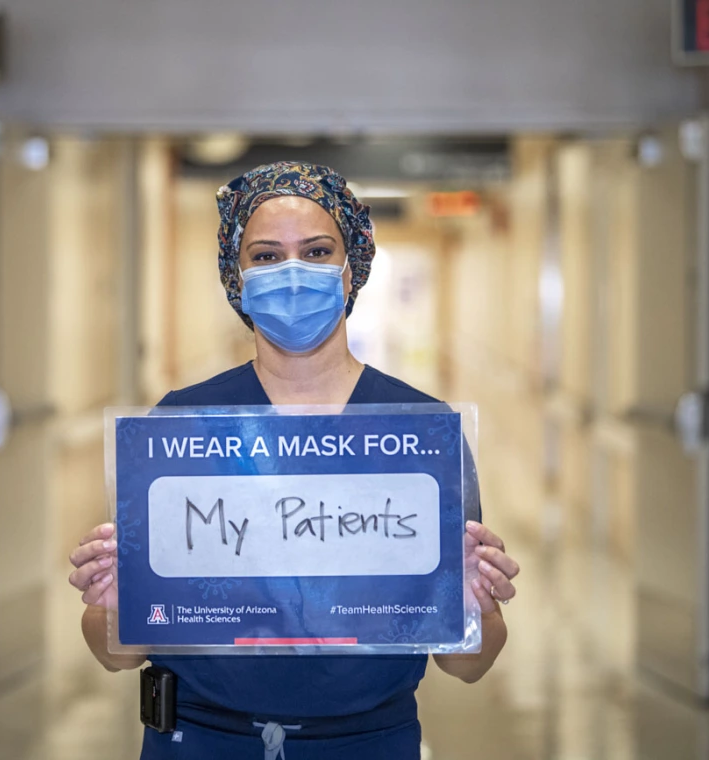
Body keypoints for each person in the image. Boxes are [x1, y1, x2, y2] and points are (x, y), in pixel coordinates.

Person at [69, 162, 521, 759]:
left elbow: (467, 666)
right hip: (199, 741)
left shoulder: (419, 435)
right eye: (265, 256)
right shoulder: (182, 429)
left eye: (315, 250)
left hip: (368, 743)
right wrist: (110, 601)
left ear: (350, 266)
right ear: (236, 275)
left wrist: (471, 605)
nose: (291, 273)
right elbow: (114, 653)